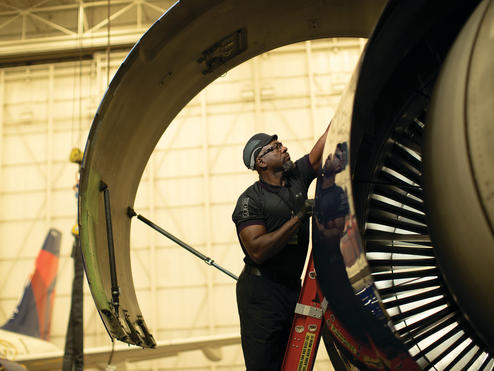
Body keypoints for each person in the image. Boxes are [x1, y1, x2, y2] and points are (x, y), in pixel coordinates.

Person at [232, 125, 329, 370]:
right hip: (261, 293)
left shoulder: (296, 177)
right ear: (260, 161)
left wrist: (347, 103)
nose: (283, 148)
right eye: (275, 147)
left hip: (291, 288)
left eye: (281, 144)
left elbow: (323, 148)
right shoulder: (250, 200)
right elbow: (257, 250)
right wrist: (298, 218)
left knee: (293, 363)